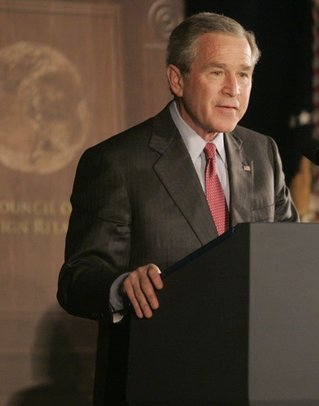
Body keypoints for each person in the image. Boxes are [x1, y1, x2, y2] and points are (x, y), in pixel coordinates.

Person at [57, 12, 298, 405]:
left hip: (253, 379)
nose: (233, 89)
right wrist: (122, 286)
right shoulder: (117, 162)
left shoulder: (263, 153)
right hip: (158, 379)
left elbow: (290, 254)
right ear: (177, 79)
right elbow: (76, 278)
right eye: (217, 72)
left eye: (244, 74)